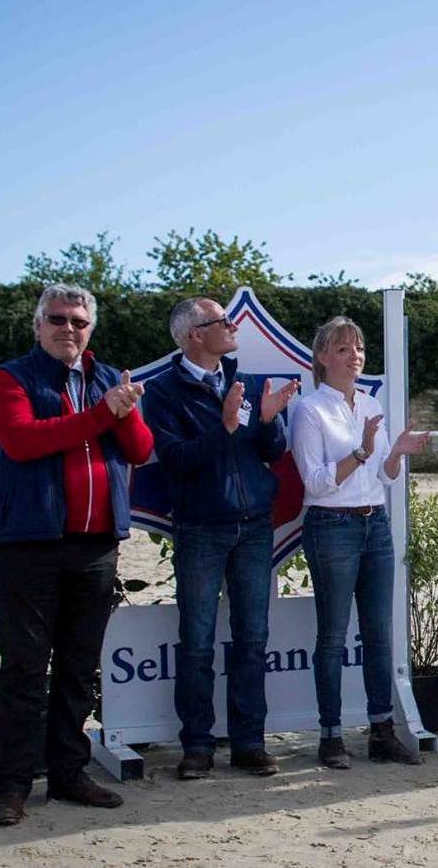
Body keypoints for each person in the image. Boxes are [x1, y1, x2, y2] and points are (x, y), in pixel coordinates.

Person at [0, 285, 152, 826]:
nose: (68, 328)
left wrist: (123, 413)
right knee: (25, 672)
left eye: (79, 321)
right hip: (31, 545)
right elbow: (22, 442)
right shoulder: (9, 377)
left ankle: (68, 773)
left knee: (80, 670)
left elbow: (141, 451)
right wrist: (105, 413)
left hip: (96, 547)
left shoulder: (108, 379)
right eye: (57, 319)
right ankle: (12, 784)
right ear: (38, 325)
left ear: (90, 329)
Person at [142, 297, 300, 780]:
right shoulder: (163, 392)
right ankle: (197, 746)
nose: (232, 327)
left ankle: (250, 743)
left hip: (254, 525)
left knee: (253, 638)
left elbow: (269, 453)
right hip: (200, 528)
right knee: (196, 641)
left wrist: (269, 419)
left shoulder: (245, 382)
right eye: (222, 322)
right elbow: (176, 460)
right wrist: (227, 428)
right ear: (194, 335)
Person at [289, 317, 430, 768]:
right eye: (345, 349)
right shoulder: (310, 411)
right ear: (323, 358)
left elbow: (384, 478)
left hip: (375, 525)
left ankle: (381, 731)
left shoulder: (370, 404)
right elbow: (316, 484)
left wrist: (396, 453)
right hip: (332, 526)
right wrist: (363, 452)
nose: (356, 357)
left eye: (360, 349)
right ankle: (331, 736)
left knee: (378, 634)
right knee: (332, 635)